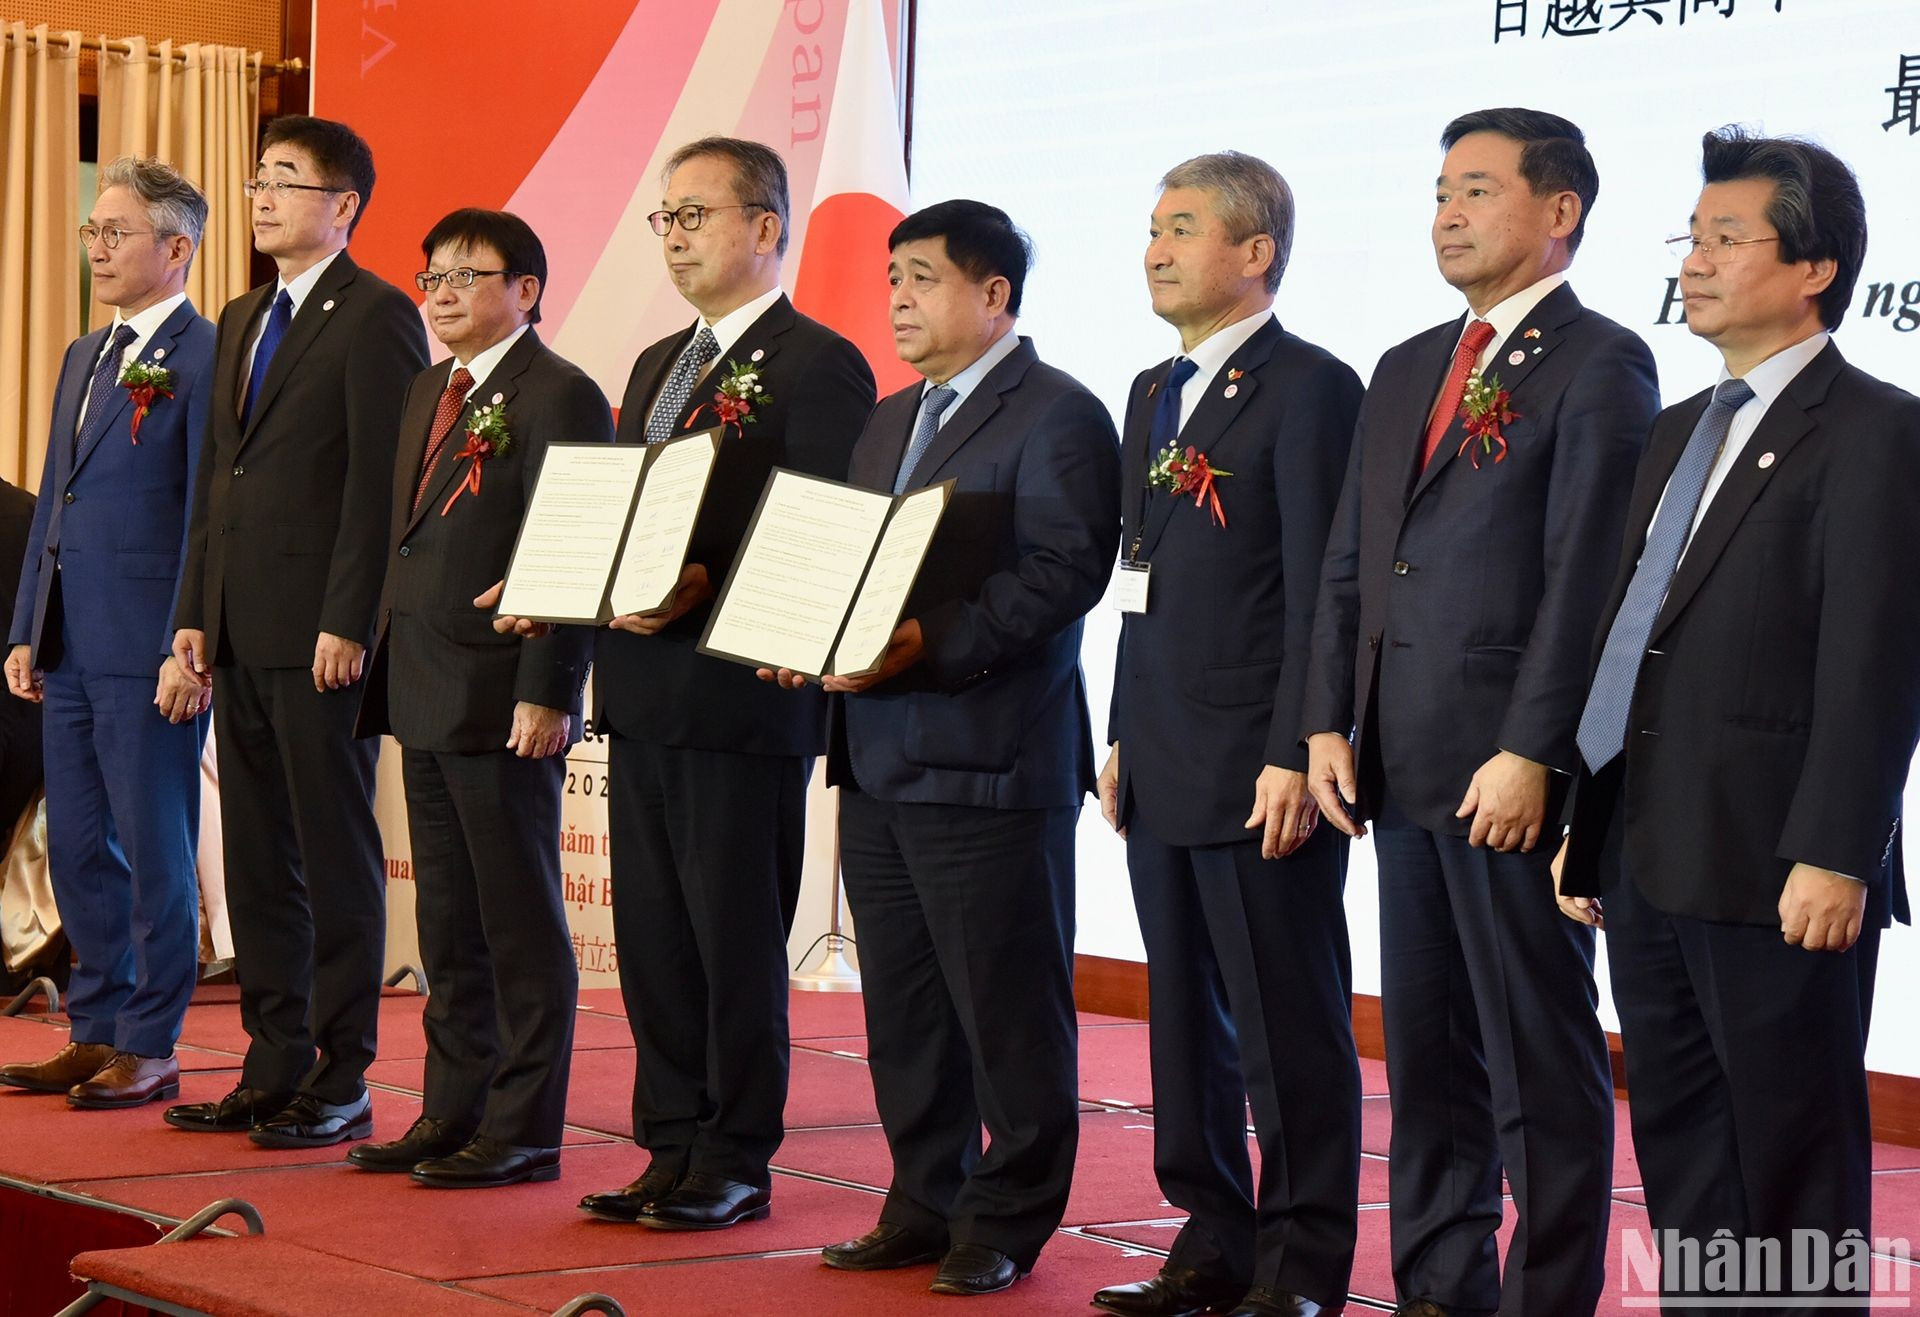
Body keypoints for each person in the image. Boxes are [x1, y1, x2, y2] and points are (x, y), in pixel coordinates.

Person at [1299, 108, 1659, 1317]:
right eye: (1441, 192)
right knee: (1429, 1054)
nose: (1448, 215)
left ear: (1559, 212)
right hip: (1398, 763)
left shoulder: (1601, 363)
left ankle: (1543, 1296)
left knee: (1534, 1057)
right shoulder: (1409, 364)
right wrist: (1327, 719)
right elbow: (1353, 559)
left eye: (1477, 191)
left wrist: (1534, 750)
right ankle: (1439, 1285)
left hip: (1505, 773)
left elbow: (1587, 578)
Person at [1557, 127, 1920, 1312]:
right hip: (1650, 849)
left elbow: (1876, 662)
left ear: (1815, 268)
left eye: (1727, 238)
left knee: (1794, 1156)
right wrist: (1588, 822)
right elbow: (1632, 640)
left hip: (1778, 863)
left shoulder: (1876, 429)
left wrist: (1838, 850)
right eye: (1692, 237)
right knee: (1684, 1147)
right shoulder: (1680, 428)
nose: (1696, 261)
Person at [771, 199, 1120, 1297]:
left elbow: (1065, 573)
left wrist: (929, 640)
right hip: (876, 753)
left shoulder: (1058, 413)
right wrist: (800, 631)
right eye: (892, 279)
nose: (898, 300)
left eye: (922, 278)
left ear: (994, 294)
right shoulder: (888, 420)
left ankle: (1006, 1217)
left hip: (989, 757)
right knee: (909, 1010)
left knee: (1006, 1009)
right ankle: (924, 1200)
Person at [573, 136, 876, 1230]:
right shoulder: (658, 362)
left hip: (741, 696)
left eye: (695, 215)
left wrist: (703, 582)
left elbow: (821, 526)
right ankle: (669, 1143)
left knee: (732, 939)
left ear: (765, 226)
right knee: (656, 939)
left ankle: (737, 1156)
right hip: (642, 687)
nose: (674, 237)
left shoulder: (819, 361)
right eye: (666, 218)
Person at [1092, 152, 1363, 1317]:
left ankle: (1301, 1266)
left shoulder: (1312, 386)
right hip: (1161, 752)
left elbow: (1320, 591)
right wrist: (1119, 731)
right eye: (1153, 226)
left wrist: (1298, 746)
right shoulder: (1152, 390)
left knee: (1284, 1026)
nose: (1156, 249)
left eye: (1184, 227)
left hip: (1261, 767)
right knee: (1184, 1023)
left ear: (1255, 252)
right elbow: (1140, 577)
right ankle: (1210, 1235)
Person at [165, 115, 428, 1147]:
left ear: (344, 205)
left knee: (333, 855)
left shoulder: (378, 315)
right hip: (239, 627)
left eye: (286, 179)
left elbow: (378, 484)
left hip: (323, 639)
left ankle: (342, 1072)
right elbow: (217, 480)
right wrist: (196, 611)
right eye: (258, 179)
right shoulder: (241, 315)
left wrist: (351, 619)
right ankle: (271, 1063)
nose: (263, 197)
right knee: (260, 858)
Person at [346, 209, 611, 1188]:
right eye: (433, 276)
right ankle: (451, 1111)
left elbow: (571, 546)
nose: (443, 293)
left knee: (518, 925)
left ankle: (525, 1128)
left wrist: (550, 690)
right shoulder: (430, 387)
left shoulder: (562, 393)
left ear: (526, 291)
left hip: (503, 695)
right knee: (449, 924)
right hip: (421, 684)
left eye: (467, 275)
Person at [0, 158, 214, 1110]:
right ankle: (95, 1026)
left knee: (153, 846)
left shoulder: (208, 356)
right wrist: (26, 627)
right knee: (80, 846)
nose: (96, 248)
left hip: (151, 646)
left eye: (115, 232)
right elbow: (57, 498)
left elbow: (207, 516)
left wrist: (187, 644)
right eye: (93, 230)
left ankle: (152, 1040)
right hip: (69, 643)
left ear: (177, 248)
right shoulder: (86, 354)